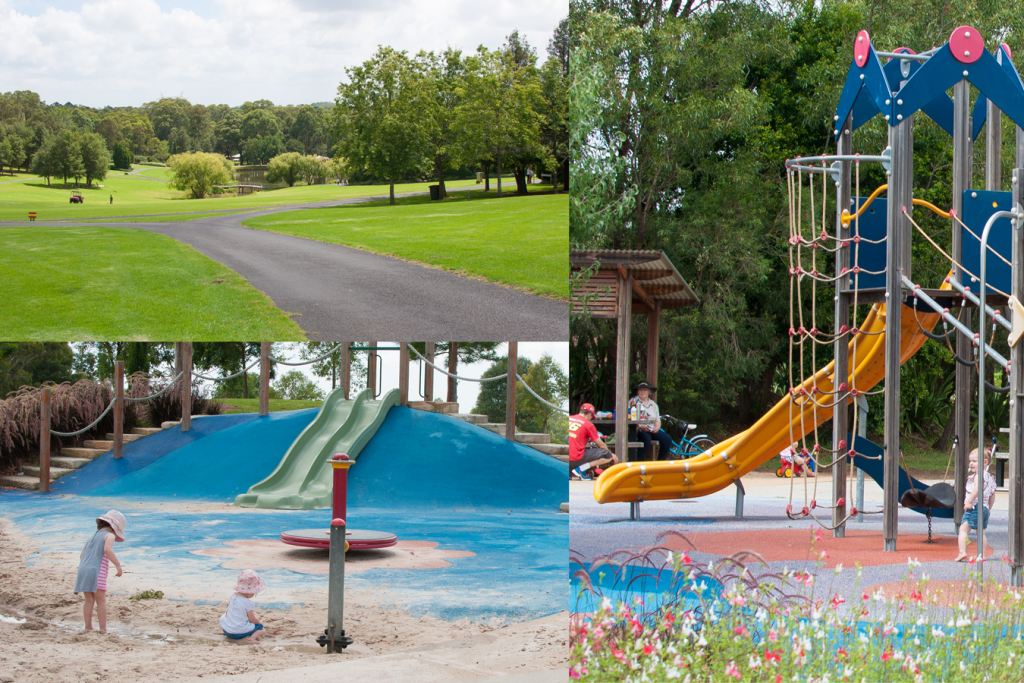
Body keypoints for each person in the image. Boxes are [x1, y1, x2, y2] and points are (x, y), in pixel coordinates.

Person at [74, 510, 126, 633]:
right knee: (101, 599)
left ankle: (88, 627)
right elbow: (107, 550)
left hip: (83, 570)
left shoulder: (90, 537)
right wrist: (118, 565)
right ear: (115, 528)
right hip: (97, 571)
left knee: (89, 600)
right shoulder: (110, 536)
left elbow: (82, 555)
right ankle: (103, 629)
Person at [955, 447, 996, 562]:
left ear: (985, 462)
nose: (971, 464)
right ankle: (981, 554)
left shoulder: (978, 476)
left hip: (974, 507)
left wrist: (969, 502)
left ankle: (962, 552)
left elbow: (977, 489)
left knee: (963, 530)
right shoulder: (990, 477)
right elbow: (992, 495)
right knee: (981, 532)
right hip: (984, 508)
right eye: (970, 461)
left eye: (974, 461)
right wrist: (989, 508)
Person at [628, 381, 675, 461]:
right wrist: (640, 426)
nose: (643, 391)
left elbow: (657, 419)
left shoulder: (653, 404)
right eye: (640, 390)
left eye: (645, 389)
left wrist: (657, 427)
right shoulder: (633, 402)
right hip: (638, 429)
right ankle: (636, 463)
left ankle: (660, 463)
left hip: (652, 429)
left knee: (667, 439)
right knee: (646, 440)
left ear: (649, 392)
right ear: (637, 391)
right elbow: (631, 418)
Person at [569, 403, 617, 480]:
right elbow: (601, 445)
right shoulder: (588, 424)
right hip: (576, 458)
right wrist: (611, 454)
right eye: (591, 417)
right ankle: (581, 469)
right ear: (589, 415)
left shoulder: (569, 418)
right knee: (607, 455)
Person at [220, 569, 268, 641]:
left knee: (226, 616)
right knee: (261, 629)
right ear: (249, 591)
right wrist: (259, 622)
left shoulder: (233, 596)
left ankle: (229, 629)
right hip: (238, 633)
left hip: (226, 630)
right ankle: (252, 638)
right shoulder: (248, 603)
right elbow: (252, 619)